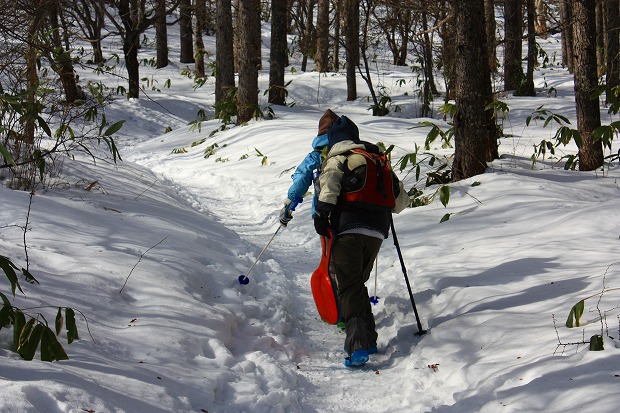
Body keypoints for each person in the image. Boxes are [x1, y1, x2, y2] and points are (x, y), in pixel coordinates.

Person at [313, 115, 409, 367]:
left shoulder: (339, 157)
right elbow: (401, 202)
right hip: (378, 230)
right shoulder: (377, 160)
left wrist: (322, 216)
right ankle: (369, 340)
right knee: (356, 283)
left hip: (349, 227)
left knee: (347, 285)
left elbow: (330, 187)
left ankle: (356, 346)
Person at [279, 109, 340, 226]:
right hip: (357, 208)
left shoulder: (315, 156)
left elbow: (301, 181)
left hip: (324, 210)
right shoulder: (352, 151)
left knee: (331, 243)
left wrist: (288, 205)